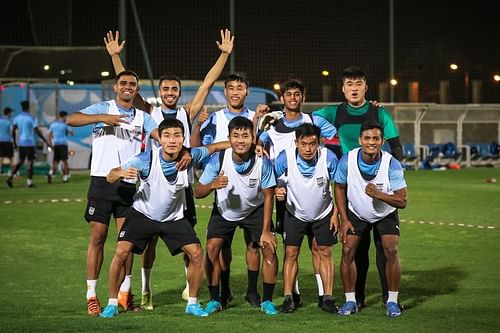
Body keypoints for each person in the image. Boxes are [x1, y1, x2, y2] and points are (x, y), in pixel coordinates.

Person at [104, 29, 234, 309]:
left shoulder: (187, 112)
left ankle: (191, 290)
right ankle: (146, 290)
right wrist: (116, 57)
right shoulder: (150, 113)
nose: (171, 93)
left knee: (191, 247)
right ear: (160, 92)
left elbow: (209, 83)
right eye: (166, 89)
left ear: (179, 92)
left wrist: (224, 54)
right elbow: (129, 85)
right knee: (147, 246)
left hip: (182, 190)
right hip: (153, 189)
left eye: (175, 89)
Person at [100, 118, 229, 318]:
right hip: (142, 215)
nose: (172, 140)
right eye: (167, 136)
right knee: (121, 252)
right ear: (159, 138)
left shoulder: (190, 156)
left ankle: (192, 304)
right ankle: (112, 303)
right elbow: (110, 176)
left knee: (196, 254)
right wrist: (120, 173)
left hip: (173, 218)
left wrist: (251, 145)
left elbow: (214, 147)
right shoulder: (144, 159)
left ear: (183, 139)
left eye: (177, 136)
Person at [67, 70, 161, 316]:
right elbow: (72, 119)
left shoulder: (143, 117)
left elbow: (160, 136)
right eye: (123, 83)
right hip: (101, 181)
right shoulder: (104, 108)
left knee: (126, 242)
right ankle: (91, 295)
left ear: (137, 89)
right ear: (116, 87)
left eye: (132, 84)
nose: (127, 87)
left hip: (129, 185)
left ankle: (124, 294)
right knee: (97, 237)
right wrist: (102, 117)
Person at [313, 66, 403, 309]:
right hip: (353, 182)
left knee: (386, 251)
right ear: (343, 89)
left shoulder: (378, 112)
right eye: (349, 84)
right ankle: (356, 299)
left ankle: (389, 299)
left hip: (380, 186)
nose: (354, 88)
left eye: (358, 84)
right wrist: (331, 134)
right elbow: (312, 119)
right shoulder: (336, 112)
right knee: (356, 252)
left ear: (366, 87)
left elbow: (395, 145)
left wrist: (393, 175)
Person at [257, 79, 337, 307]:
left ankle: (325, 295)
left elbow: (338, 134)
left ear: (303, 96)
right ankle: (293, 295)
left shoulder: (315, 122)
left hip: (318, 198)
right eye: (288, 94)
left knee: (319, 248)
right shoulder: (272, 123)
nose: (293, 98)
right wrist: (259, 144)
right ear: (282, 98)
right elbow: (259, 144)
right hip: (286, 195)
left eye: (297, 94)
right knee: (291, 249)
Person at [193, 73, 269, 308]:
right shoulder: (214, 118)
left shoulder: (255, 117)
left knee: (253, 244)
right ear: (225, 92)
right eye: (231, 88)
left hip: (250, 187)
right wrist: (198, 125)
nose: (235, 91)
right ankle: (223, 290)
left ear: (247, 91)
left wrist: (257, 141)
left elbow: (261, 145)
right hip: (223, 183)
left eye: (240, 88)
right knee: (220, 246)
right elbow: (198, 151)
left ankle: (252, 291)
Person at [334, 121, 407, 317]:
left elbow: (402, 200)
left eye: (376, 138)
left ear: (382, 141)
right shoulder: (347, 161)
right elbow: (339, 188)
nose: (371, 142)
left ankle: (392, 301)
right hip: (356, 212)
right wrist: (344, 218)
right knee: (348, 250)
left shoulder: (391, 164)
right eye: (367, 138)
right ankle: (350, 301)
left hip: (385, 213)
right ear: (360, 140)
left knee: (391, 250)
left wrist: (378, 194)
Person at [273, 123, 339, 313]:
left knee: (324, 252)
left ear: (320, 143)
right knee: (291, 253)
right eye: (304, 144)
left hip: (324, 213)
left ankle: (327, 297)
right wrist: (278, 188)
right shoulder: (285, 158)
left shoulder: (329, 158)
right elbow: (270, 179)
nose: (308, 149)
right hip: (294, 213)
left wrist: (336, 214)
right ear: (296, 142)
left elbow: (340, 187)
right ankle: (288, 297)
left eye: (312, 144)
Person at [7, 100, 51, 188]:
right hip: (30, 143)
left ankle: (10, 177)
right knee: (30, 162)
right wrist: (45, 140)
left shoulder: (17, 118)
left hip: (21, 143)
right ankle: (29, 183)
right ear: (28, 107)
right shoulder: (31, 118)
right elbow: (36, 130)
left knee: (21, 161)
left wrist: (15, 143)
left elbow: (13, 131)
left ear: (22, 107)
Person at [47, 110, 73, 183]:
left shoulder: (53, 124)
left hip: (56, 144)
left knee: (55, 161)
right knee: (65, 161)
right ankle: (65, 177)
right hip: (63, 144)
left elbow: (49, 135)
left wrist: (50, 144)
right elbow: (72, 133)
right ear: (64, 116)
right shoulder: (65, 124)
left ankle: (51, 173)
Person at [0, 107, 15, 177]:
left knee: (1, 158)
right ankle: (13, 174)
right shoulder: (10, 121)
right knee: (11, 158)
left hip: (0, 141)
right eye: (11, 112)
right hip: (7, 141)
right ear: (8, 113)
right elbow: (12, 132)